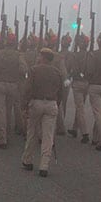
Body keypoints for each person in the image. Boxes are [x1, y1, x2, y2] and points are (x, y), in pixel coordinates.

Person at [20, 48, 64, 177]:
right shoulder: (57, 72)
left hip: (36, 103)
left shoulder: (33, 70)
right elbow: (60, 92)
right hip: (51, 104)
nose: (38, 57)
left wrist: (24, 105)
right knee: (48, 136)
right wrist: (57, 103)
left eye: (40, 56)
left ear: (43, 57)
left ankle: (27, 160)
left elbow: (28, 89)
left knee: (32, 133)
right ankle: (44, 166)